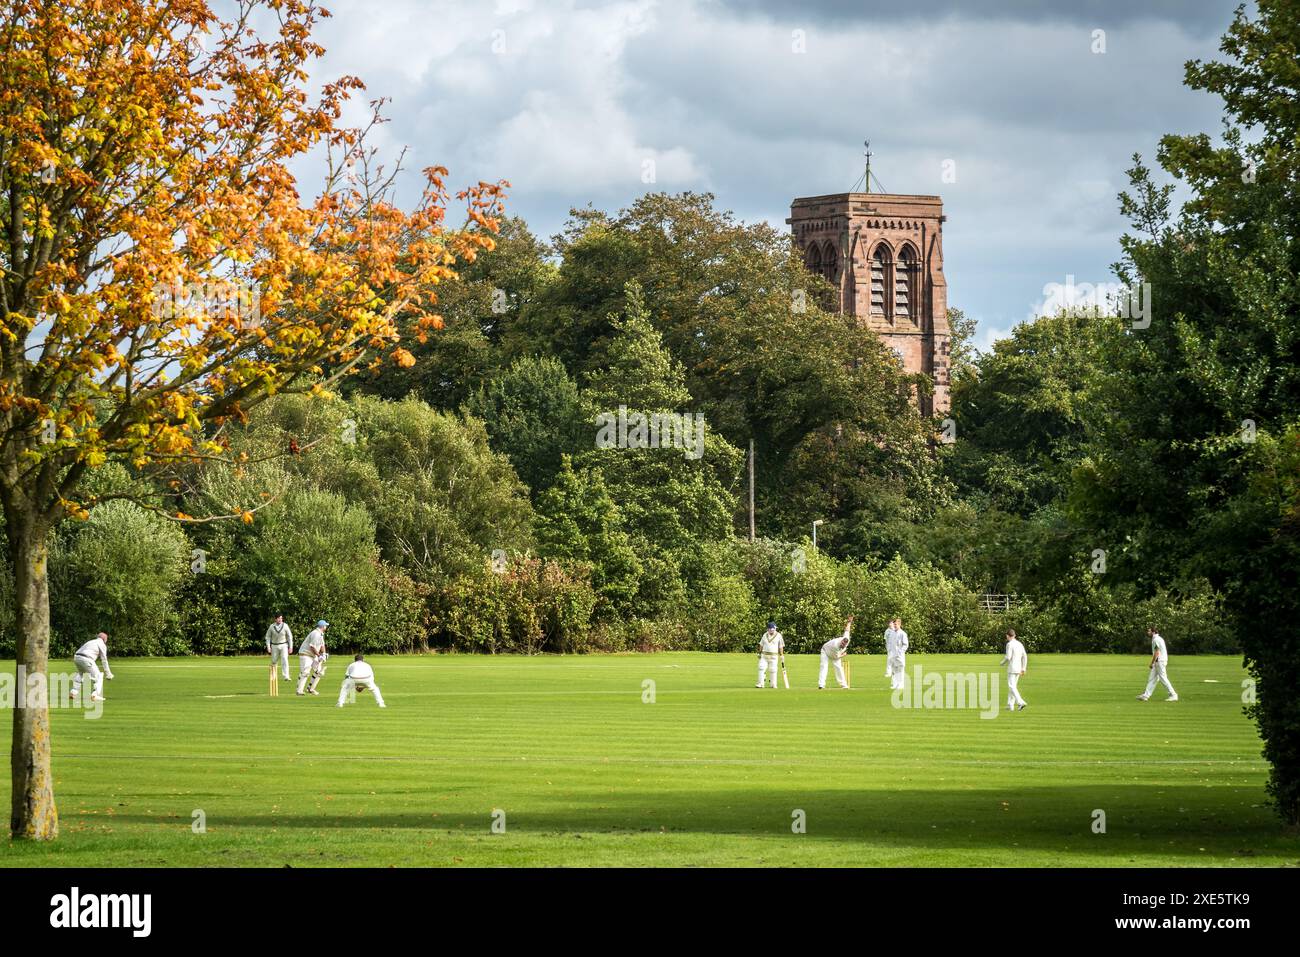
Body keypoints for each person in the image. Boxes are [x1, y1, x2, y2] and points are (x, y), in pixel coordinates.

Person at [1137, 627, 1178, 702]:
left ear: (1153, 632)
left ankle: (1173, 695)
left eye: (1149, 631)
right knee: (1152, 678)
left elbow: (1157, 652)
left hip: (1160, 661)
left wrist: (1151, 663)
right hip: (1159, 661)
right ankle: (1146, 695)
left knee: (1163, 678)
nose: (1147, 632)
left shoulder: (1156, 640)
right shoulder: (1158, 638)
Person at [70, 632, 113, 702]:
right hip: (87, 659)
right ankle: (95, 695)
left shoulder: (91, 641)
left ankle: (73, 692)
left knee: (81, 673)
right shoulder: (102, 644)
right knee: (98, 676)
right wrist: (108, 674)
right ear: (104, 639)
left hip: (77, 657)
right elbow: (104, 660)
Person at [818, 616, 853, 689]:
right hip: (825, 651)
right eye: (842, 644)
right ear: (841, 641)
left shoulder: (846, 639)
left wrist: (849, 622)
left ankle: (844, 685)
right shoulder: (836, 645)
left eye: (845, 644)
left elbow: (847, 630)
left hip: (835, 653)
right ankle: (821, 685)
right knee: (824, 666)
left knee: (839, 668)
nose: (843, 645)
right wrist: (843, 654)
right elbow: (836, 657)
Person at [296, 620, 329, 696]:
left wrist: (323, 654)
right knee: (306, 672)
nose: (326, 627)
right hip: (305, 654)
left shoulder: (321, 634)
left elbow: (322, 645)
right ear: (322, 626)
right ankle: (299, 691)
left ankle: (311, 688)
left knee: (319, 671)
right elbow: (312, 647)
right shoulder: (315, 634)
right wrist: (319, 655)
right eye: (325, 626)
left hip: (312, 655)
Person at [1000, 629, 1027, 711]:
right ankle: (1010, 705)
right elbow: (1025, 656)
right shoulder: (1019, 644)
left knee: (1011, 686)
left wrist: (1002, 663)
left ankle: (1020, 702)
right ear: (1014, 635)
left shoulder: (1009, 644)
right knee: (1013, 687)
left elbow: (1008, 657)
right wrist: (1023, 668)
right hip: (1019, 668)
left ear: (1007, 636)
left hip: (1012, 668)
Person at [264, 614, 293, 683]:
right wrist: (268, 647)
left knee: (285, 659)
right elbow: (268, 637)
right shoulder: (272, 626)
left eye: (281, 618)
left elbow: (289, 637)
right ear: (275, 619)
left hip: (284, 645)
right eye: (279, 618)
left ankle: (286, 676)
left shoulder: (285, 625)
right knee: (274, 661)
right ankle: (273, 677)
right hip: (274, 646)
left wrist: (290, 647)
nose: (280, 620)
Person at [756, 621, 784, 688]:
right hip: (764, 655)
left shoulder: (778, 635)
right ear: (768, 629)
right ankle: (760, 684)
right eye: (771, 629)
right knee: (761, 668)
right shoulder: (764, 635)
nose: (773, 630)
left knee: (773, 669)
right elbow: (761, 645)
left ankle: (773, 684)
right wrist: (759, 653)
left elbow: (781, 646)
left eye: (774, 628)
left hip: (774, 656)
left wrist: (781, 655)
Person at [886, 617, 909, 691]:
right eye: (894, 624)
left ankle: (901, 684)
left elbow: (905, 645)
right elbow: (889, 643)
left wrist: (900, 652)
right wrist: (889, 651)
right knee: (894, 670)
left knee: (900, 670)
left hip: (899, 655)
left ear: (899, 624)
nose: (894, 626)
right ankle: (895, 684)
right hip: (892, 654)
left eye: (896, 624)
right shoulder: (892, 633)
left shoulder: (903, 633)